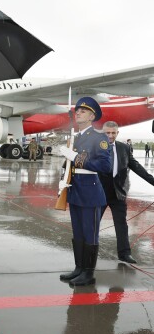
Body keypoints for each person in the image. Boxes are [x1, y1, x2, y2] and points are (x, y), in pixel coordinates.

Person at [58, 97, 112, 287]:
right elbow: (70, 166)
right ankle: (79, 268)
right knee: (78, 233)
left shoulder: (99, 138)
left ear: (91, 116)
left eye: (83, 110)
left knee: (90, 234)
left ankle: (88, 274)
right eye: (77, 110)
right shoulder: (76, 137)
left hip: (91, 191)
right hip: (75, 189)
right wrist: (63, 178)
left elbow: (105, 166)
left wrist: (76, 158)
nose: (78, 112)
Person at [99, 121, 154, 264]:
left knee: (121, 224)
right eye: (107, 133)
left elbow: (136, 167)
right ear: (102, 133)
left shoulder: (124, 148)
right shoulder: (95, 148)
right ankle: (89, 254)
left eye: (113, 133)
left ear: (118, 133)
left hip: (118, 193)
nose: (110, 136)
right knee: (92, 225)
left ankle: (124, 253)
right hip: (99, 193)